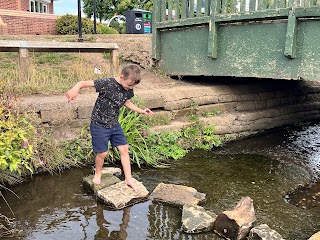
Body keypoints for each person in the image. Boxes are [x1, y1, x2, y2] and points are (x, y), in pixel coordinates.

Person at [66, 64, 153, 192]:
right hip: (99, 124)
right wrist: (75, 89)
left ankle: (128, 179)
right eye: (129, 85)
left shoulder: (128, 89)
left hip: (114, 124)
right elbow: (83, 83)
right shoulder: (107, 83)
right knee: (102, 153)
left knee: (124, 149)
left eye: (133, 86)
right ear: (121, 77)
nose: (131, 88)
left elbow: (126, 102)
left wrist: (141, 111)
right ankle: (98, 173)